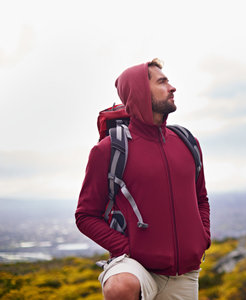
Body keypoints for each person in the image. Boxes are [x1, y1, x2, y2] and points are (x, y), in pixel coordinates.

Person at [75, 59, 211, 300]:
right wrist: (127, 249)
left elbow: (201, 197)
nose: (172, 88)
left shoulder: (187, 142)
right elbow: (85, 216)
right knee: (120, 286)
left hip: (185, 274)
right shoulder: (109, 150)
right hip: (135, 266)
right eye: (162, 82)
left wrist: (202, 238)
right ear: (139, 93)